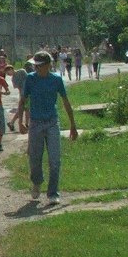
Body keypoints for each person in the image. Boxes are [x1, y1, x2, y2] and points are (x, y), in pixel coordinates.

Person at [18, 49, 78, 204]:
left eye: (39, 66)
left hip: (52, 122)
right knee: (35, 158)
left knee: (55, 159)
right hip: (36, 123)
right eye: (35, 66)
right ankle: (37, 182)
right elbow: (23, 100)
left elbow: (65, 101)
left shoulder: (56, 79)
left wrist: (73, 125)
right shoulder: (30, 79)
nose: (36, 69)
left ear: (48, 65)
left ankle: (53, 193)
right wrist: (20, 122)